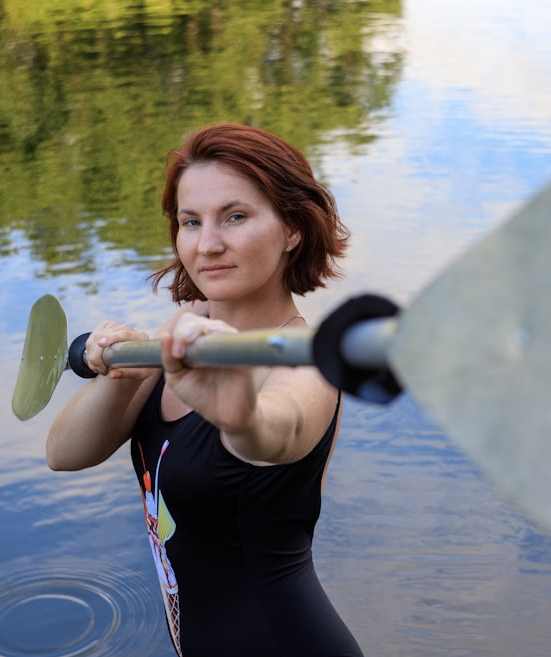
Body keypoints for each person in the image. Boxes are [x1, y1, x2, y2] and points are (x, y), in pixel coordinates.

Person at [45, 123, 362, 657]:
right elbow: (63, 454)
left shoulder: (307, 362)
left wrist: (235, 409)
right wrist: (119, 367)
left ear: (291, 228)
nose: (208, 244)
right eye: (191, 222)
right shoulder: (170, 348)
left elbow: (274, 432)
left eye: (235, 217)